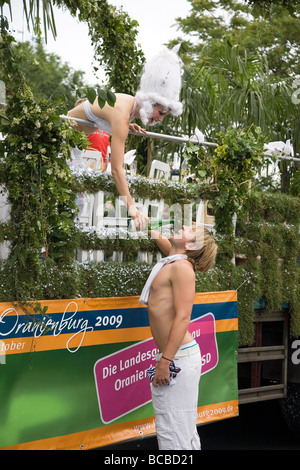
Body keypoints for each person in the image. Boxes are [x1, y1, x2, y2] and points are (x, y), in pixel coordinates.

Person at [67, 45, 183, 230]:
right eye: (160, 112)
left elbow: (104, 114)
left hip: (75, 147)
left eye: (164, 115)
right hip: (65, 145)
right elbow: (116, 170)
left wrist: (127, 125)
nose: (160, 118)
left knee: (78, 206)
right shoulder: (123, 113)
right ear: (149, 102)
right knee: (71, 206)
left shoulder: (128, 109)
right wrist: (133, 209)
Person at [139, 225, 218, 450]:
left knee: (174, 432)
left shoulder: (182, 268)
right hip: (176, 357)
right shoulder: (173, 261)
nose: (183, 226)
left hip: (176, 359)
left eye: (189, 230)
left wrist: (165, 361)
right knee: (177, 430)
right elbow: (149, 228)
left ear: (191, 245)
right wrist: (128, 200)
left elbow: (183, 317)